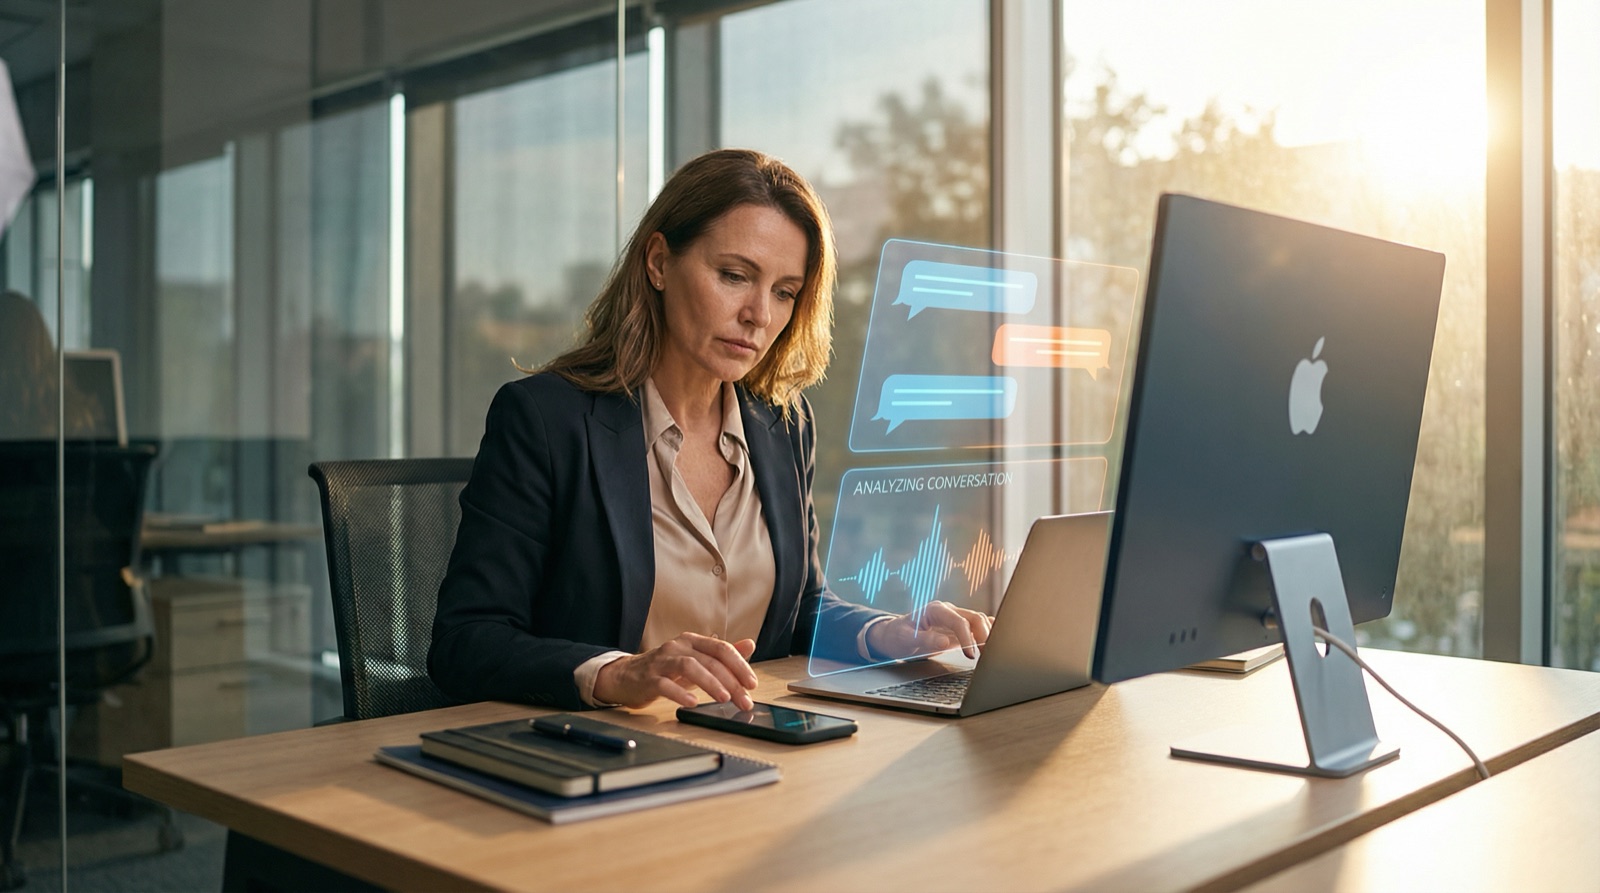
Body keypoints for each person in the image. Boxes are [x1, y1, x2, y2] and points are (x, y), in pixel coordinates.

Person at [428, 148, 990, 712]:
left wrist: (888, 632)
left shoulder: (783, 425)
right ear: (658, 263)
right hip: (602, 756)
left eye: (784, 292)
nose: (759, 315)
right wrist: (617, 673)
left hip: (752, 744)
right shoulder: (545, 420)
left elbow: (800, 607)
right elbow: (466, 640)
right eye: (735, 276)